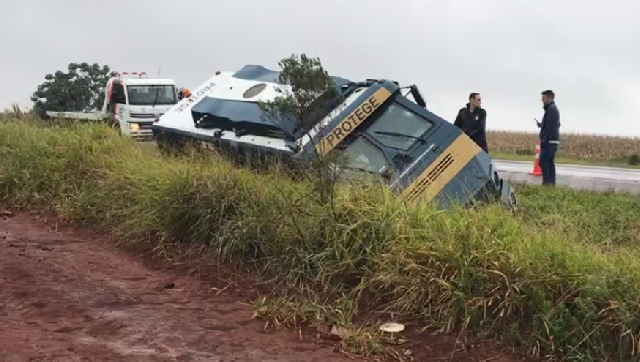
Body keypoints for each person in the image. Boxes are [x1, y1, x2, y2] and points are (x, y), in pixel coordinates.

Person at [536, 90, 561, 186]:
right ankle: (551, 183)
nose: (542, 100)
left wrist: (545, 139)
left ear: (550, 98)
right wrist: (541, 125)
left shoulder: (552, 109)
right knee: (549, 162)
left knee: (544, 161)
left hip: (549, 141)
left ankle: (547, 183)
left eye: (544, 98)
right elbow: (555, 124)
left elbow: (551, 127)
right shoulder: (552, 109)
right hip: (552, 141)